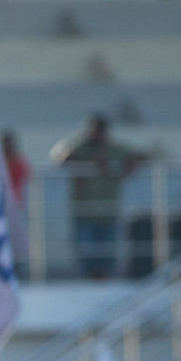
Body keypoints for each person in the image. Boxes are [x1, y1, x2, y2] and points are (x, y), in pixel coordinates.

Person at [50, 113, 147, 280]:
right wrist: (90, 161)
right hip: (84, 214)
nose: (96, 134)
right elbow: (59, 157)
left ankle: (103, 280)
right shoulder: (79, 147)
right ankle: (91, 281)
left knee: (107, 254)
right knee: (85, 254)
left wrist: (126, 164)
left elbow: (141, 156)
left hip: (108, 213)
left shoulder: (114, 150)